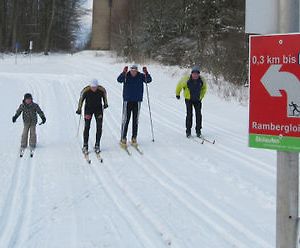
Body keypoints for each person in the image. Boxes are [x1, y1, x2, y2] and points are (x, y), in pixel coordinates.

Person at [117, 64, 152, 147]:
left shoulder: (141, 76)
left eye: (135, 70)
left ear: (137, 70)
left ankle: (134, 138)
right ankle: (123, 138)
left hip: (137, 101)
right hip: (127, 100)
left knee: (135, 120)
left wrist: (146, 72)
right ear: (130, 70)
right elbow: (119, 80)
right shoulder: (126, 75)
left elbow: (149, 80)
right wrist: (123, 72)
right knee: (126, 119)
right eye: (132, 70)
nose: (133, 71)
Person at [76, 79, 108, 153]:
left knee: (99, 126)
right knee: (87, 126)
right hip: (88, 110)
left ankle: (97, 144)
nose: (94, 89)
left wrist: (105, 103)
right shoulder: (86, 90)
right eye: (92, 87)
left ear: (97, 86)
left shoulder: (101, 90)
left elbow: (105, 96)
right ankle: (85, 145)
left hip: (98, 110)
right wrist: (79, 109)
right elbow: (81, 99)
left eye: (95, 87)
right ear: (90, 86)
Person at [176, 66, 207, 138]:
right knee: (189, 115)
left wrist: (201, 97)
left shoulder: (202, 80)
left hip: (197, 100)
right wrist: (177, 93)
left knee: (198, 115)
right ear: (192, 73)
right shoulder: (186, 79)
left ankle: (198, 131)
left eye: (197, 74)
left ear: (199, 74)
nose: (195, 75)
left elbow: (204, 89)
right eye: (194, 73)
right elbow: (179, 85)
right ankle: (188, 131)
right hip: (188, 99)